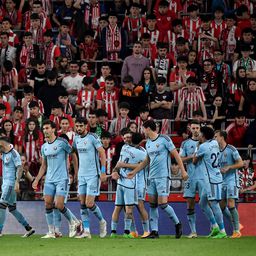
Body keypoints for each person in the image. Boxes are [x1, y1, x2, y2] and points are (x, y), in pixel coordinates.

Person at [127, 120, 188, 238]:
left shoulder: (164, 139)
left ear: (148, 128)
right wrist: (134, 172)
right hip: (151, 177)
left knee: (163, 203)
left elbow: (176, 155)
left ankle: (177, 223)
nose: (143, 131)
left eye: (144, 129)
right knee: (153, 204)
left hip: (163, 176)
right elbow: (147, 161)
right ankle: (154, 231)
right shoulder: (148, 143)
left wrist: (183, 171)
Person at [32, 120, 80, 238]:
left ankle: (74, 222)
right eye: (44, 129)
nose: (45, 131)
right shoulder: (44, 147)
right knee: (48, 204)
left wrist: (76, 172)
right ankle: (51, 232)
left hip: (62, 179)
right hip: (49, 180)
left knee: (59, 205)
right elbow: (44, 165)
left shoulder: (62, 143)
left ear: (53, 129)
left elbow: (73, 154)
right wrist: (37, 180)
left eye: (47, 128)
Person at [72, 117, 107, 239]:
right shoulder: (75, 139)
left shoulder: (93, 137)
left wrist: (103, 172)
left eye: (81, 126)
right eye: (77, 126)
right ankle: (86, 231)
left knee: (89, 203)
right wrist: (76, 172)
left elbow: (102, 153)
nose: (79, 128)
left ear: (86, 126)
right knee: (82, 203)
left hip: (93, 175)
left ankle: (102, 221)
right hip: (82, 175)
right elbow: (73, 153)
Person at [111, 132, 149, 238]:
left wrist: (121, 166)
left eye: (129, 137)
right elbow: (119, 163)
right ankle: (132, 231)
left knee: (139, 206)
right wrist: (116, 169)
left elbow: (143, 165)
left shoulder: (137, 151)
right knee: (127, 207)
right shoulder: (129, 148)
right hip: (129, 181)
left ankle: (146, 230)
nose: (127, 139)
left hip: (140, 182)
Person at [193, 126, 227, 238]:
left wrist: (197, 146)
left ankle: (222, 231)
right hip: (210, 179)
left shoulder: (202, 147)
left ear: (203, 135)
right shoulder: (214, 143)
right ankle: (215, 226)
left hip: (212, 179)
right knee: (202, 203)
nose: (199, 135)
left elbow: (194, 161)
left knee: (214, 204)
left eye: (200, 133)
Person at [0, 137, 35, 237]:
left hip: (10, 184)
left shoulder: (14, 153)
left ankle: (0, 230)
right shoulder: (4, 153)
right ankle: (29, 228)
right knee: (12, 208)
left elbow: (20, 168)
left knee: (1, 205)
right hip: (5, 184)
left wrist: (16, 182)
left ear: (2, 144)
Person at [214, 130, 243, 238]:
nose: (214, 138)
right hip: (221, 181)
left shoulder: (231, 149)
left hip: (232, 180)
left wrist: (229, 167)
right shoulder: (215, 150)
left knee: (231, 204)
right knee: (221, 206)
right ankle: (237, 224)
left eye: (216, 136)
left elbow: (241, 163)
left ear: (222, 137)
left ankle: (236, 231)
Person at [179, 120, 202, 238]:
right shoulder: (185, 144)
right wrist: (191, 157)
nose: (195, 130)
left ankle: (215, 229)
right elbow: (180, 159)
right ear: (190, 129)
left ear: (200, 128)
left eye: (197, 128)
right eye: (193, 128)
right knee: (190, 203)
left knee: (208, 203)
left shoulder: (206, 143)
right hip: (191, 177)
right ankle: (193, 231)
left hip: (204, 177)